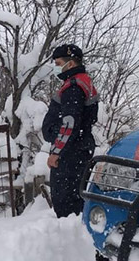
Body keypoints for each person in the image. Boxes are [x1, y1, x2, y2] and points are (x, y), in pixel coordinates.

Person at [41, 44, 99, 218]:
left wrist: (56, 152)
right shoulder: (81, 81)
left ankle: (68, 239)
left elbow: (69, 124)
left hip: (71, 154)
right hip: (78, 149)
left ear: (71, 64)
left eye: (58, 63)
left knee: (66, 203)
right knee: (75, 199)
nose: (55, 67)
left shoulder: (73, 87)